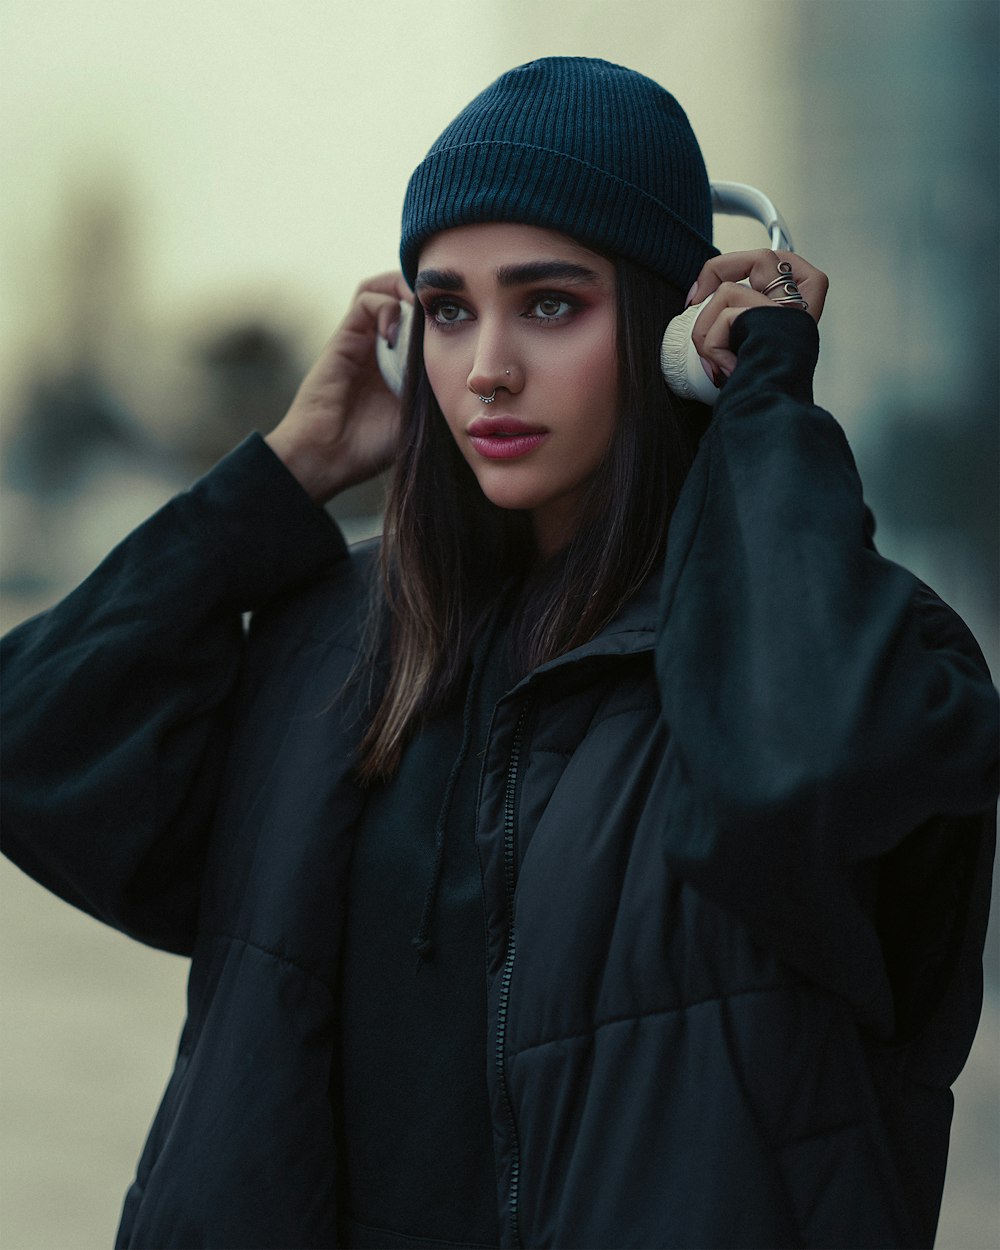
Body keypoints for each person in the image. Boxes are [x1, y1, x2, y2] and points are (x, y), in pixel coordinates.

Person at [2, 57, 997, 1250]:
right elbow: (32, 745)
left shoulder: (844, 650)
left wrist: (765, 406)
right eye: (449, 309)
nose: (487, 369)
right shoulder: (334, 646)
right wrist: (281, 475)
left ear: (673, 329)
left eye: (550, 303)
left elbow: (809, 766)